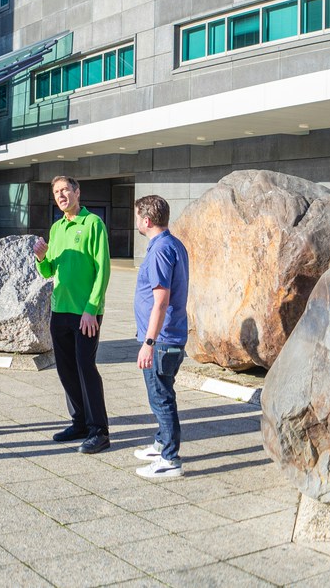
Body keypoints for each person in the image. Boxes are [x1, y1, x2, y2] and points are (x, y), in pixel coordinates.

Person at [33, 175, 110, 453]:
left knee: (85, 368)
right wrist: (42, 257)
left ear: (77, 192)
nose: (61, 195)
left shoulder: (93, 224)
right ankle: (79, 422)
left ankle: (99, 430)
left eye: (65, 189)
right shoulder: (56, 228)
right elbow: (49, 271)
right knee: (65, 370)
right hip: (60, 310)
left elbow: (103, 269)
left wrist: (92, 309)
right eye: (56, 192)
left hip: (85, 314)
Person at [131, 194, 189, 479]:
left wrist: (149, 343)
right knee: (162, 394)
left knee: (161, 398)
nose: (136, 223)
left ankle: (170, 459)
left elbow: (161, 300)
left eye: (137, 217)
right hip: (170, 336)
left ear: (147, 220)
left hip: (162, 339)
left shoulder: (160, 250)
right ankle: (160, 443)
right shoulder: (174, 244)